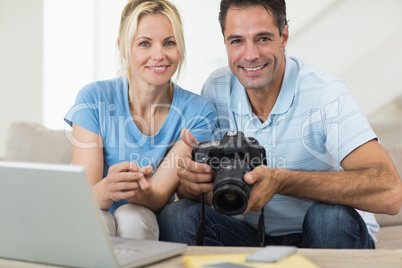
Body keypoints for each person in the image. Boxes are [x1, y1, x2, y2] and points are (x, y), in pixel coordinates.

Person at [157, 0, 402, 248]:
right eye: (237, 41)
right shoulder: (217, 87)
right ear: (225, 42)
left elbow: (390, 193)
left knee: (328, 217)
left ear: (284, 36)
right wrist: (193, 186)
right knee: (177, 216)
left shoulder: (325, 94)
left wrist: (282, 181)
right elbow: (213, 192)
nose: (250, 55)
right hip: (252, 236)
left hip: (326, 233)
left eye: (263, 38)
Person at [64, 0, 216, 240]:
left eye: (169, 43)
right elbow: (84, 198)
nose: (159, 55)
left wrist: (139, 191)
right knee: (99, 219)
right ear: (124, 49)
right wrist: (109, 187)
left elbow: (156, 198)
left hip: (146, 221)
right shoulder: (93, 98)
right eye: (144, 43)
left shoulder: (198, 111)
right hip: (97, 212)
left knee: (132, 216)